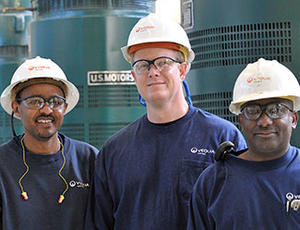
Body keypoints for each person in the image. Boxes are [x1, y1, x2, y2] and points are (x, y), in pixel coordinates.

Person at [86, 13, 246, 230]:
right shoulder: (114, 151)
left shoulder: (222, 137)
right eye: (143, 65)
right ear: (134, 76)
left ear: (182, 69)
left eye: (163, 62)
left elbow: (241, 215)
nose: (153, 72)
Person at [187, 58, 300, 230]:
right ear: (240, 120)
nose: (264, 121)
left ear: (293, 118)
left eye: (276, 110)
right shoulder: (214, 182)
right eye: (253, 111)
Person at [0, 56, 98, 230]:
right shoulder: (3, 165)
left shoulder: (89, 159)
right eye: (34, 102)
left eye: (55, 102)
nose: (46, 110)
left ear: (65, 107)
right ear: (16, 108)